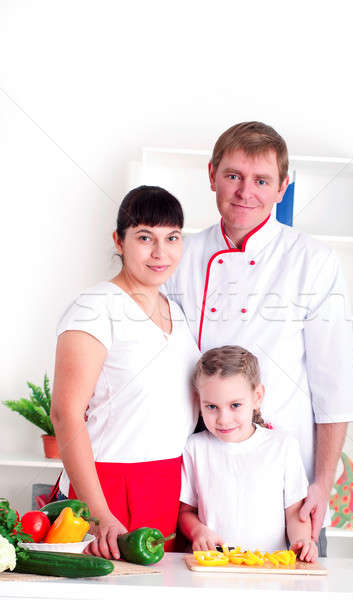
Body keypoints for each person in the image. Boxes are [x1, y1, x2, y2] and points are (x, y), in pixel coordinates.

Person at [165, 121, 353, 556]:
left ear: (282, 187)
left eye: (261, 180)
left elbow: (336, 388)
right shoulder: (179, 255)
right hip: (196, 481)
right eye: (233, 176)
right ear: (212, 174)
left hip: (287, 490)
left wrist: (321, 485)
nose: (244, 192)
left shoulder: (312, 261)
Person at [50, 185, 200, 560]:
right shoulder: (94, 308)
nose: (159, 252)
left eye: (172, 238)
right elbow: (65, 413)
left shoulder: (177, 313)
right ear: (119, 240)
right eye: (145, 237)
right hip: (108, 486)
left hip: (168, 488)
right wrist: (98, 514)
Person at [178, 345, 318, 562]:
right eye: (211, 407)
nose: (223, 419)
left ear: (257, 397)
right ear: (199, 402)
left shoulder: (283, 446)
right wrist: (198, 531)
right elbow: (186, 511)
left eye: (235, 405)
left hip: (269, 568)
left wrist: (302, 540)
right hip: (213, 565)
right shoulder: (195, 448)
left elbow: (294, 512)